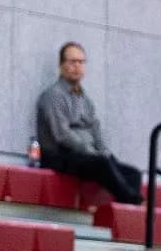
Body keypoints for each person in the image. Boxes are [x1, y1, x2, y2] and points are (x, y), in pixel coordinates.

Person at [33, 42, 141, 205]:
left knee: (133, 173)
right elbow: (62, 135)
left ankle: (125, 214)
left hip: (87, 156)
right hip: (60, 155)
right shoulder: (52, 96)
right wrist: (92, 152)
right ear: (61, 66)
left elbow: (95, 128)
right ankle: (132, 201)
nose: (77, 66)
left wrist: (103, 151)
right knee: (102, 163)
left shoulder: (86, 100)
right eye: (72, 62)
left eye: (81, 62)